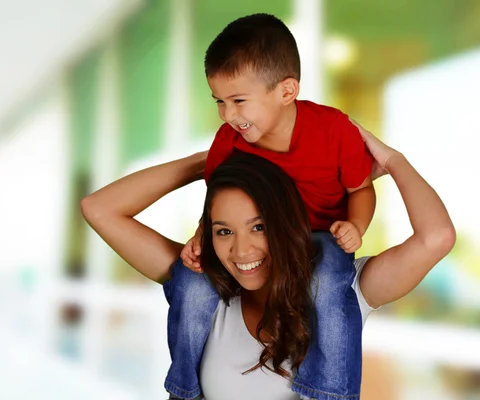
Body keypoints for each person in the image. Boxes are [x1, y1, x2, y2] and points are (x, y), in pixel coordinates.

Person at [81, 124, 455, 400]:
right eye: (223, 231)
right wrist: (207, 163)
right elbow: (98, 209)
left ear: (288, 223)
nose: (242, 251)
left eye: (258, 227)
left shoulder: (342, 292)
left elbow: (436, 238)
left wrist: (393, 161)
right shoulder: (202, 290)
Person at [174, 13, 375, 399]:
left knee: (329, 281)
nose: (228, 115)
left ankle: (331, 391)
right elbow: (215, 203)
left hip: (319, 239)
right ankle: (183, 388)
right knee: (188, 282)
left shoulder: (335, 131)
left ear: (286, 91)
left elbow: (362, 189)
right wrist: (201, 238)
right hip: (263, 242)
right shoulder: (228, 142)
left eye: (238, 101)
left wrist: (357, 225)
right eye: (219, 101)